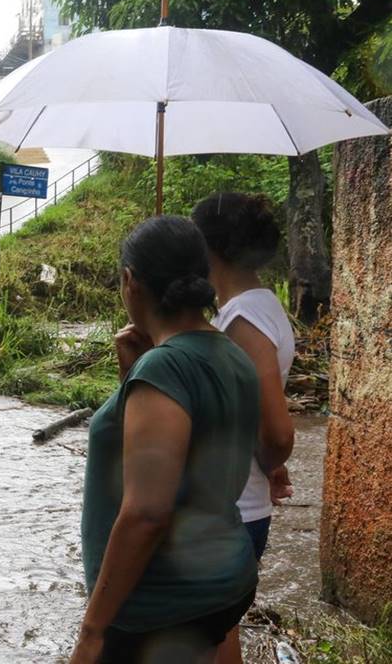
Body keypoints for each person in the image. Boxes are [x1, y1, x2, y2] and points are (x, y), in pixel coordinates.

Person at [71, 216, 260, 664]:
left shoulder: (164, 370)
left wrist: (92, 630)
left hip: (157, 605)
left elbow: (147, 513)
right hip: (223, 580)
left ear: (129, 280)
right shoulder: (232, 354)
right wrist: (131, 375)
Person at [192, 193, 296, 664]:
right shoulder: (256, 306)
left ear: (208, 249)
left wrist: (270, 462)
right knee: (216, 632)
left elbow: (277, 432)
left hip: (232, 509)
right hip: (239, 507)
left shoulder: (243, 320)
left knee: (203, 632)